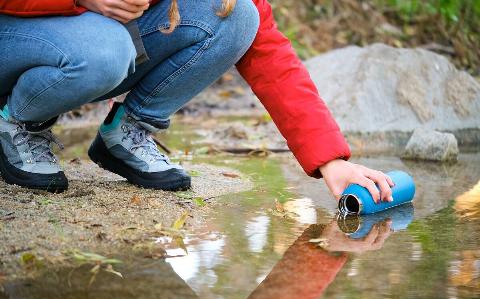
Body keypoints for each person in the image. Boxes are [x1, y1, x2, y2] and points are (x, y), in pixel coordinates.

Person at [0, 0, 393, 203]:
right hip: (16, 32)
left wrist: (330, 161)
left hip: (94, 47)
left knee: (236, 15)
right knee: (106, 48)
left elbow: (270, 55)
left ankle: (128, 133)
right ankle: (18, 122)